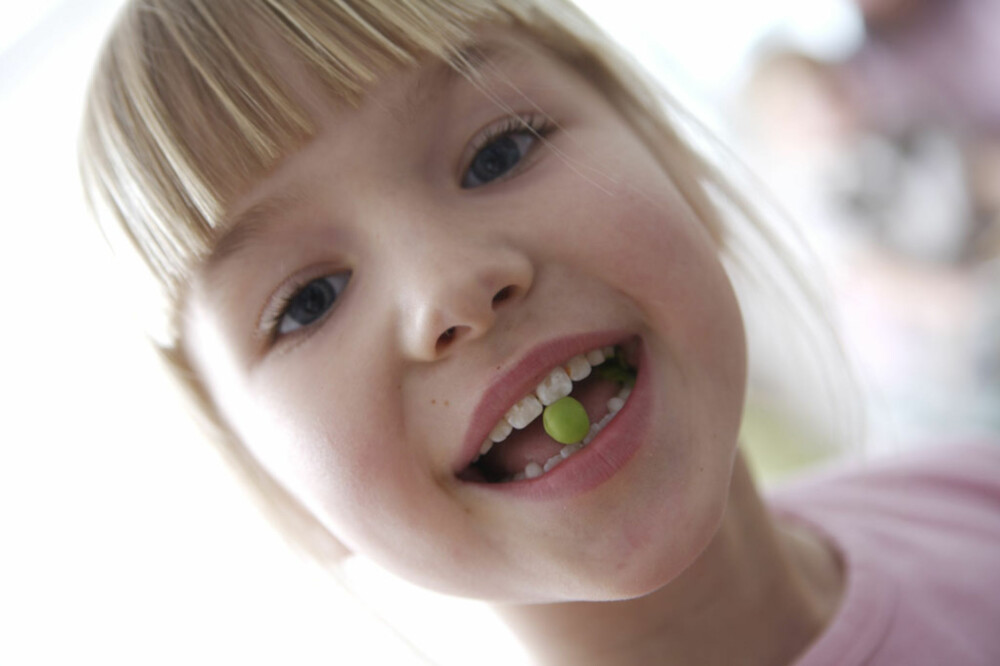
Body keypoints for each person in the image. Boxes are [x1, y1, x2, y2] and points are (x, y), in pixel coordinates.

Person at [79, 1, 1000, 663]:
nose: (454, 290)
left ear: (675, 161)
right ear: (269, 485)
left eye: (501, 151)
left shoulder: (976, 495)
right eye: (308, 301)